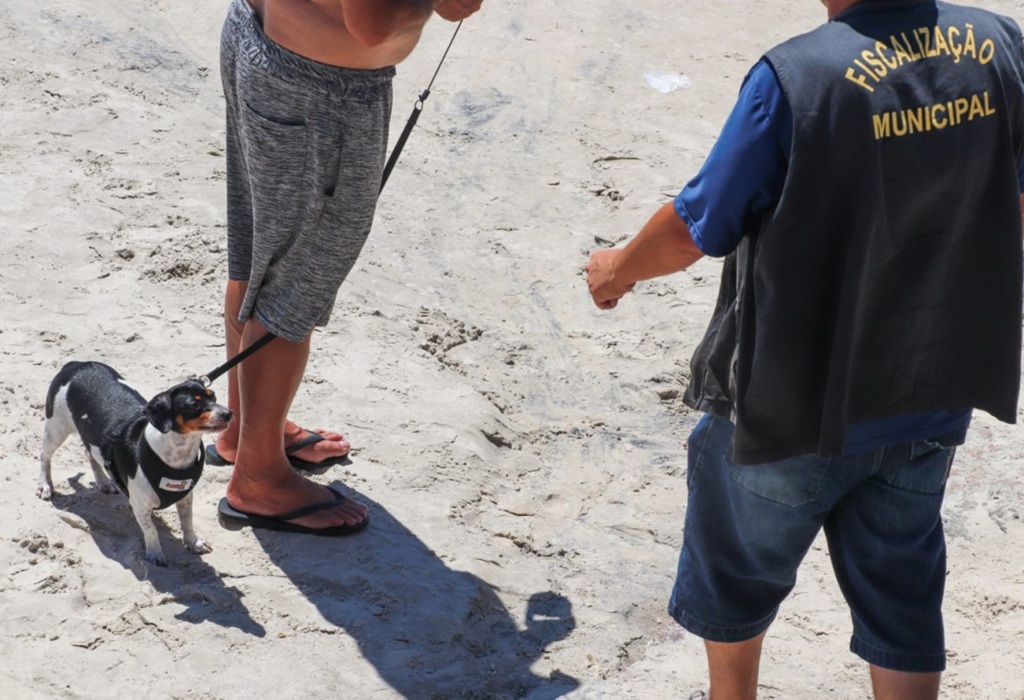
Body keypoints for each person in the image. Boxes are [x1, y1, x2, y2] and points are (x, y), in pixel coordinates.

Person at [586, 0, 1024, 698]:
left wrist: (617, 270)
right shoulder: (997, 43)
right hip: (932, 389)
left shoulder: (796, 77)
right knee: (904, 596)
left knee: (735, 580)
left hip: (793, 404)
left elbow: (695, 228)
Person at [213, 0, 483, 535]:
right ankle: (258, 479)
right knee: (295, 287)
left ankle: (245, 430)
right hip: (319, 87)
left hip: (259, 38)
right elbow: (372, 24)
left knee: (258, 256)